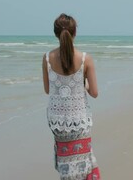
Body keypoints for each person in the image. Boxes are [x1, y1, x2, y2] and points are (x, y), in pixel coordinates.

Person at [42, 13, 101, 180]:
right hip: (79, 121)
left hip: (58, 123)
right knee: (86, 162)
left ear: (55, 34)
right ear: (75, 33)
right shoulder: (85, 59)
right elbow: (95, 93)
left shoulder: (47, 58)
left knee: (66, 164)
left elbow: (48, 90)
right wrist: (83, 84)